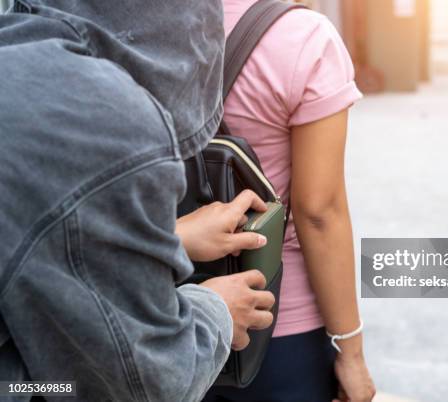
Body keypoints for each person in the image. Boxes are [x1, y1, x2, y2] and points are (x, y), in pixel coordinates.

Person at [0, 1, 274, 400]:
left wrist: (172, 237)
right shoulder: (100, 115)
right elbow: (143, 383)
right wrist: (217, 310)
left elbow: (25, 236)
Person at [203, 1, 376, 401]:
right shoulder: (304, 38)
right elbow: (319, 212)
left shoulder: (138, 26)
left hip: (159, 317)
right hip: (278, 325)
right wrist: (351, 351)